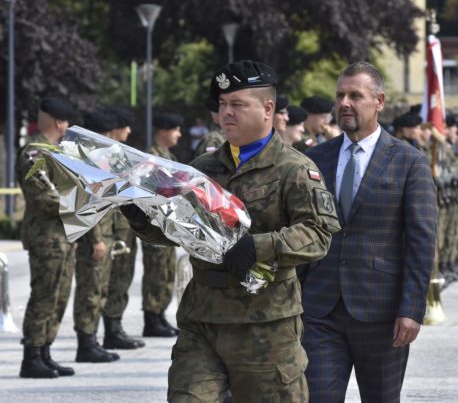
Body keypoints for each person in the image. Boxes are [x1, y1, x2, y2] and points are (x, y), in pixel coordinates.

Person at [122, 60, 340, 402]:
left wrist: (258, 247)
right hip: (203, 323)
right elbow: (175, 231)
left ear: (267, 109)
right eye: (223, 104)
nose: (227, 112)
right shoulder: (202, 169)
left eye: (238, 104)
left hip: (265, 329)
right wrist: (140, 215)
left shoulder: (294, 169)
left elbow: (318, 234)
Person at [300, 61, 438, 402]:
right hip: (320, 310)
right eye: (340, 96)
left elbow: (421, 242)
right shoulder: (314, 159)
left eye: (355, 95)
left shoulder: (409, 161)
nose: (344, 103)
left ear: (379, 101)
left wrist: (412, 309)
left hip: (382, 313)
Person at [16, 97, 79, 378]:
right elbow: (43, 196)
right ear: (59, 122)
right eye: (66, 122)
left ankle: (45, 352)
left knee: (58, 296)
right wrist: (79, 207)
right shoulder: (34, 152)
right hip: (46, 237)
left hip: (61, 236)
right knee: (44, 295)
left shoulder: (54, 151)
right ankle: (31, 357)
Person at [73, 110, 121, 364]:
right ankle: (86, 344)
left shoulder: (98, 160)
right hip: (94, 237)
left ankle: (92, 340)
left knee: (99, 289)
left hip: (104, 235)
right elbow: (87, 204)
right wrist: (96, 239)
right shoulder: (88, 162)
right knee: (90, 291)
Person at [101, 106, 145, 350]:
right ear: (116, 128)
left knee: (123, 277)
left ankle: (115, 326)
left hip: (126, 227)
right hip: (113, 229)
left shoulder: (121, 155)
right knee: (113, 280)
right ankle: (110, 330)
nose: (129, 131)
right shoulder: (106, 157)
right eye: (126, 126)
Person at [141, 112, 183, 337]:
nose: (179, 134)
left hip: (168, 225)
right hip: (155, 224)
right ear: (164, 131)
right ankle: (151, 318)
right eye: (176, 130)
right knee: (155, 272)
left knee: (167, 272)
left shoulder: (169, 157)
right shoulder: (150, 158)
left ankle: (160, 315)